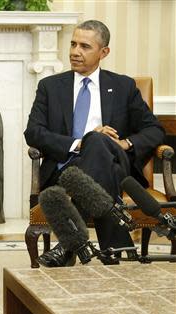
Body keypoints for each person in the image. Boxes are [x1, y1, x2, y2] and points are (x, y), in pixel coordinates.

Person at [24, 20, 165, 267]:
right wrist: (80, 143)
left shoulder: (123, 86)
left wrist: (125, 143)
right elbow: (33, 132)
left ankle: (68, 244)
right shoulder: (50, 87)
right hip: (66, 169)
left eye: (85, 46)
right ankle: (117, 248)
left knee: (99, 143)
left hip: (115, 161)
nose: (75, 51)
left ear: (104, 52)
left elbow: (154, 129)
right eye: (73, 44)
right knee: (94, 141)